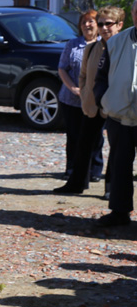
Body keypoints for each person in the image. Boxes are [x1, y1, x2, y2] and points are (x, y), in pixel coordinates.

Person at [56, 6, 121, 196]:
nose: (104, 28)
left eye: (108, 24)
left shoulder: (124, 48)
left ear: (119, 25)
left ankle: (112, 189)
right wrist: (85, 94)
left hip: (117, 106)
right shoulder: (92, 48)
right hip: (92, 104)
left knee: (117, 148)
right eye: (101, 24)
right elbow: (83, 75)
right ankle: (76, 184)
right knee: (83, 144)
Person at [92, 0, 137, 228]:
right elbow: (101, 77)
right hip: (119, 116)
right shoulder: (116, 42)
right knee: (120, 166)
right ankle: (119, 212)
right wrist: (103, 101)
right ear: (133, 14)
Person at [55, 10, 100, 183]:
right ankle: (72, 170)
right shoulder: (72, 44)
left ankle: (94, 170)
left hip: (95, 99)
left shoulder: (104, 44)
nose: (87, 25)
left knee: (95, 136)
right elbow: (62, 68)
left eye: (91, 21)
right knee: (74, 136)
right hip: (71, 99)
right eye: (83, 22)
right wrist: (73, 88)